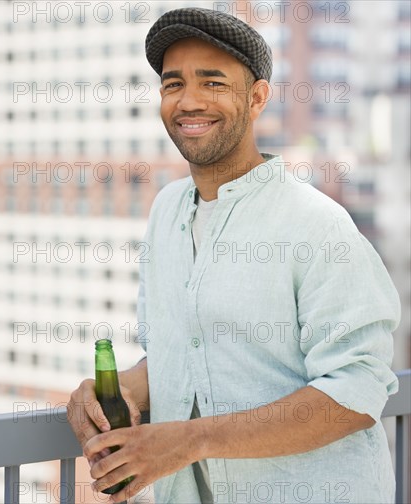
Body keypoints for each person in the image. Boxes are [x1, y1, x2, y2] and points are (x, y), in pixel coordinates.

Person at [68, 7, 401, 504]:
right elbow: (180, 352)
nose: (189, 102)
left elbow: (357, 391)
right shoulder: (165, 213)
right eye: (173, 84)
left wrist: (190, 441)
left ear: (257, 98)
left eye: (214, 83)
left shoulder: (317, 224)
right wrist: (113, 392)